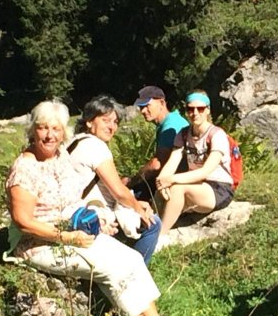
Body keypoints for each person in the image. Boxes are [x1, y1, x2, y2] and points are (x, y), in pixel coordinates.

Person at [5, 100, 190, 316]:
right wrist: (67, 237)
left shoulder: (60, 156)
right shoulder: (25, 168)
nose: (50, 135)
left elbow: (75, 197)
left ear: (63, 132)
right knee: (112, 268)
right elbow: (23, 221)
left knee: (132, 259)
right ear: (32, 130)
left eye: (56, 129)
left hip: (74, 230)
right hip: (39, 244)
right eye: (43, 128)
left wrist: (96, 218)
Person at [67, 95, 162, 265]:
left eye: (115, 122)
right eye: (106, 121)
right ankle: (136, 272)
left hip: (74, 210)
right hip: (90, 213)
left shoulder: (73, 142)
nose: (112, 127)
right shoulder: (96, 146)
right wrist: (138, 208)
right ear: (89, 122)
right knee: (153, 223)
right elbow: (119, 192)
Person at [155, 89, 235, 235]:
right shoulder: (183, 134)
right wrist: (162, 180)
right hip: (196, 184)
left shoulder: (217, 135)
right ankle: (152, 229)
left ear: (208, 110)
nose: (195, 113)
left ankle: (159, 235)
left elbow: (205, 171)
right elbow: (173, 161)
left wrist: (171, 179)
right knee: (160, 191)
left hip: (218, 188)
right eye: (190, 109)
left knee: (177, 188)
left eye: (200, 108)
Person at [125, 85, 189, 201]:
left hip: (176, 182)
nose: (143, 111)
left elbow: (156, 165)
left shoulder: (171, 126)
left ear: (162, 103)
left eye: (147, 106)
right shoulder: (173, 120)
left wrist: (130, 181)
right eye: (141, 107)